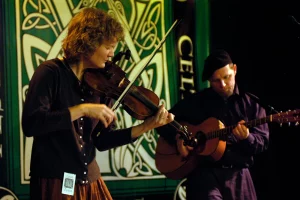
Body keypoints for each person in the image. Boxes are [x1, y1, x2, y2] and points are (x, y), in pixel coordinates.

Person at [21, 7, 174, 200]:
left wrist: (146, 126)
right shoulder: (50, 73)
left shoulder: (103, 83)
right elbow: (32, 123)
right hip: (57, 180)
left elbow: (102, 140)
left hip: (90, 179)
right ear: (88, 43)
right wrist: (83, 109)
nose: (112, 54)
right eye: (108, 46)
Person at [156, 49, 269, 200]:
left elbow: (262, 142)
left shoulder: (251, 104)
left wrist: (247, 137)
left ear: (234, 70)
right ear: (209, 80)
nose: (222, 84)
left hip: (239, 176)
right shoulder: (196, 102)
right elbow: (163, 122)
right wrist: (178, 138)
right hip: (203, 176)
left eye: (226, 77)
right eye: (216, 80)